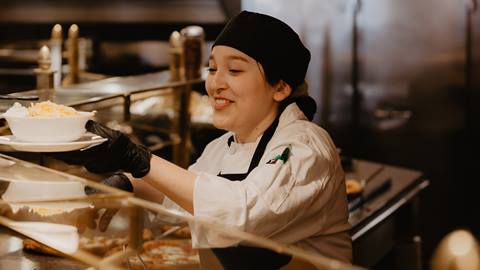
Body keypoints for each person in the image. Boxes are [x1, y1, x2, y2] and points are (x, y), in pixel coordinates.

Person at [55, 10, 352, 269]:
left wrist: (137, 158)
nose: (215, 84)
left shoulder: (304, 146)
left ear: (281, 87)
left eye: (234, 70)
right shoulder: (222, 147)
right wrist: (130, 182)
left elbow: (241, 215)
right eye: (212, 69)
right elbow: (190, 201)